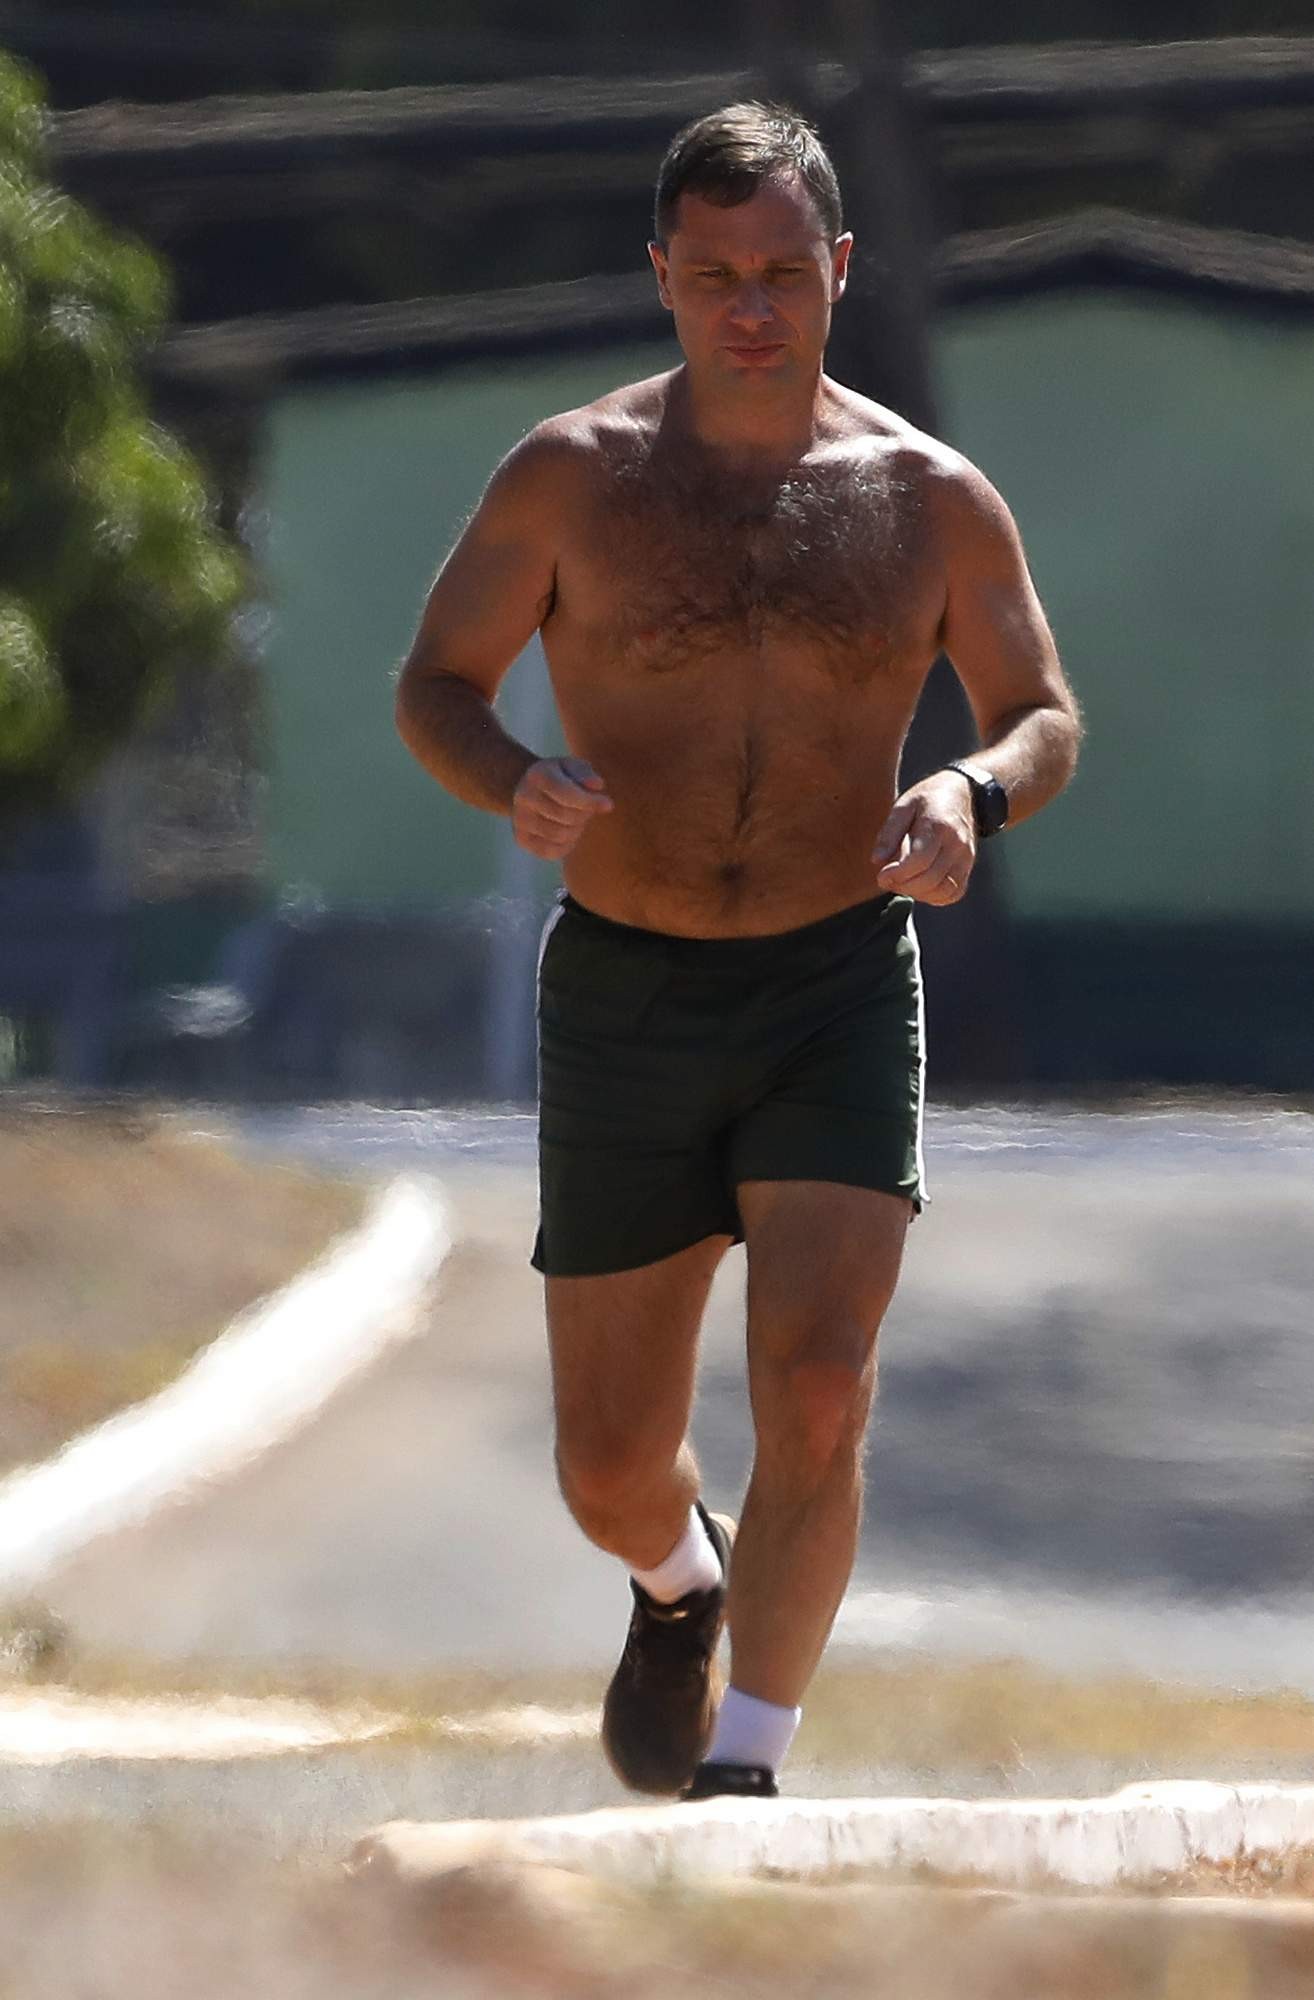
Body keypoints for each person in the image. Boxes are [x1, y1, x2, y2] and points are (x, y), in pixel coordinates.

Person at [395, 101, 1081, 1802]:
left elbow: (1040, 713)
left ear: (839, 268)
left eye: (783, 271)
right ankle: (674, 1578)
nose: (752, 308)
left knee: (821, 1384)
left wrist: (965, 794)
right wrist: (511, 776)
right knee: (608, 1462)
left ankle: (747, 1772)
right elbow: (436, 683)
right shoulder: (573, 475)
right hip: (627, 986)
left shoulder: (929, 497)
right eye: (715, 277)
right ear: (663, 281)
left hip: (833, 982)